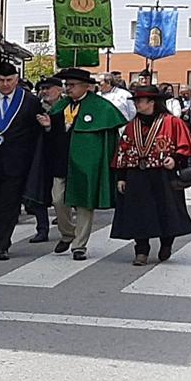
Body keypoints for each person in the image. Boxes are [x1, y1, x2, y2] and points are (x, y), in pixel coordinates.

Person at [112, 83, 191, 265]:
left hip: (163, 175)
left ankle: (166, 243)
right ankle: (141, 251)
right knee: (138, 213)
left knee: (166, 211)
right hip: (137, 175)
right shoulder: (132, 125)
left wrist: (175, 159)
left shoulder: (171, 122)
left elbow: (185, 147)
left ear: (151, 102)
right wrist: (121, 177)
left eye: (140, 100)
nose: (136, 104)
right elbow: (123, 150)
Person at [0, 61, 47, 261]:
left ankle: (2, 244)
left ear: (16, 80)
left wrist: (46, 127)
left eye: (9, 80)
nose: (5, 85)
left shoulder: (29, 101)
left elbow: (36, 131)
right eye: (1, 80)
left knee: (9, 205)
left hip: (16, 162)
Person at [52, 68, 124, 260]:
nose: (68, 89)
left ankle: (79, 245)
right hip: (63, 161)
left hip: (87, 164)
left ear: (86, 86)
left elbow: (110, 139)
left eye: (72, 85)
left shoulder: (102, 107)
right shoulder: (62, 105)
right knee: (58, 199)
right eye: (66, 85)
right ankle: (68, 233)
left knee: (85, 204)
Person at [22, 75, 63, 243]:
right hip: (39, 154)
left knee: (60, 197)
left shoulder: (67, 108)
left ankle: (66, 227)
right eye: (43, 89)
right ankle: (42, 228)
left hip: (61, 155)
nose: (45, 92)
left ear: (59, 90)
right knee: (37, 192)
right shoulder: (37, 108)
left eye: (49, 88)